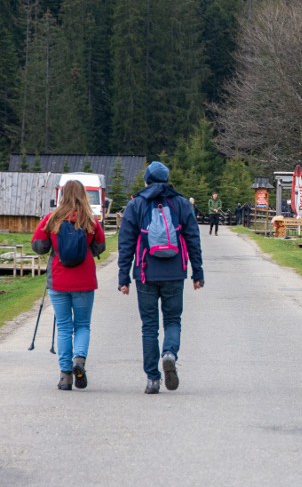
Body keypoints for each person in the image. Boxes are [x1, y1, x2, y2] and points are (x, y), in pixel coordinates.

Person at [118, 162, 203, 394]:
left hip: (145, 273)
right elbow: (193, 239)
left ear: (146, 181)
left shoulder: (135, 205)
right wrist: (198, 272)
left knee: (149, 327)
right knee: (173, 320)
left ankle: (152, 379)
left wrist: (123, 277)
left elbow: (125, 244)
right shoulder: (181, 204)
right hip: (175, 272)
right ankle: (169, 354)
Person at [31, 180, 106, 391]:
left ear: (62, 195)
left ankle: (65, 376)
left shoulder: (52, 218)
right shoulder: (90, 220)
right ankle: (79, 361)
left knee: (63, 326)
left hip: (59, 280)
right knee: (82, 325)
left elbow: (39, 246)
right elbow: (100, 246)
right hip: (84, 280)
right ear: (83, 195)